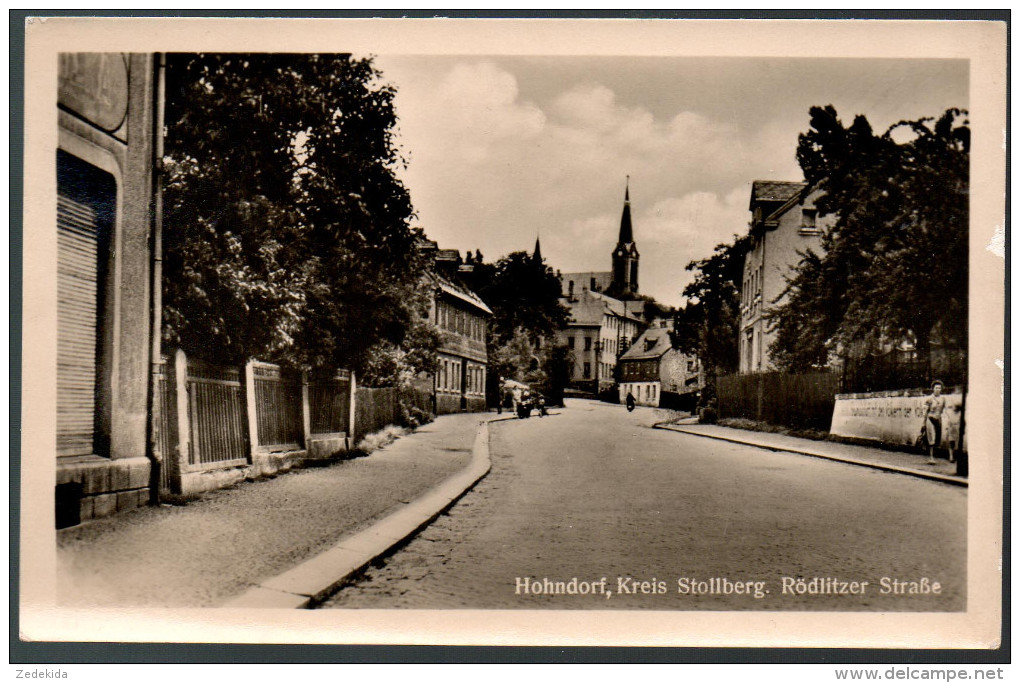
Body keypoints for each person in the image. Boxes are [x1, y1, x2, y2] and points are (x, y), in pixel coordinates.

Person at [921, 380, 947, 464]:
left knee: (937, 438)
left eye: (939, 388)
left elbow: (944, 410)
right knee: (931, 438)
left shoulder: (943, 399)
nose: (938, 389)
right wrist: (923, 423)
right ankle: (931, 457)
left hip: (938, 419)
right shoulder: (929, 399)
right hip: (930, 419)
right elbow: (925, 411)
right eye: (936, 388)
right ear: (933, 389)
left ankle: (934, 456)